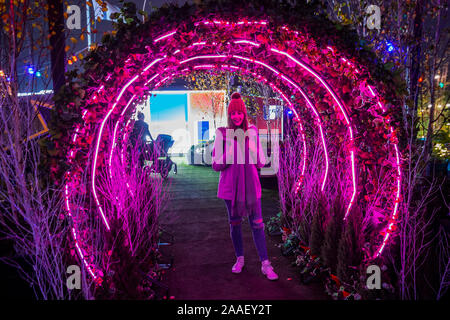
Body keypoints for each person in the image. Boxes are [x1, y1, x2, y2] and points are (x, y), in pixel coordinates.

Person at [211, 92, 278, 281]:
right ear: (229, 115)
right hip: (229, 189)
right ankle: (239, 259)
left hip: (252, 188)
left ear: (244, 114)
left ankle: (266, 264)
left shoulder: (253, 131)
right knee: (235, 225)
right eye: (233, 113)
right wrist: (231, 151)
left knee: (257, 225)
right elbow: (216, 165)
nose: (236, 117)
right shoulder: (222, 133)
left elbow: (262, 162)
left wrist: (252, 147)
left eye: (239, 113)